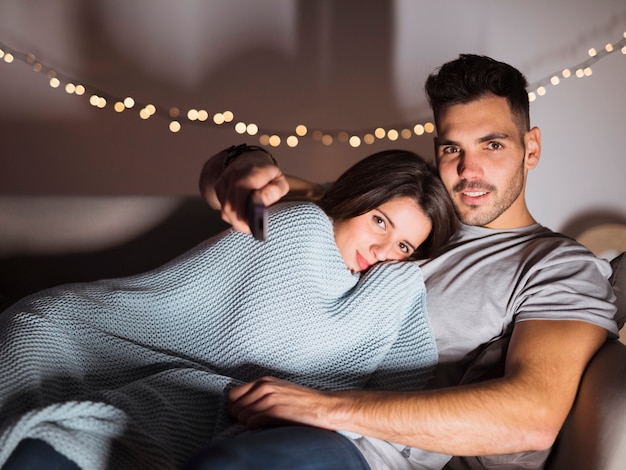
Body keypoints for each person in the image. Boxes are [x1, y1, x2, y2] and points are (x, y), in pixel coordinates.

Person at [191, 54, 619, 470]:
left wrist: (323, 408)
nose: (469, 170)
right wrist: (243, 163)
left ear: (531, 148)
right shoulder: (411, 211)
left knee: (234, 464)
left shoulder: (556, 265)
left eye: (492, 145)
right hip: (247, 390)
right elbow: (247, 191)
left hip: (357, 445)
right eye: (453, 148)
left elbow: (531, 418)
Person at [0, 147, 457, 469]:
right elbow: (233, 178)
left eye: (402, 245)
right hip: (129, 346)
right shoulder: (303, 221)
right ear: (354, 200)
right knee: (37, 339)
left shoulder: (391, 287)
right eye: (379, 221)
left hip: (248, 411)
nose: (382, 249)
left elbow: (405, 395)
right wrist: (249, 162)